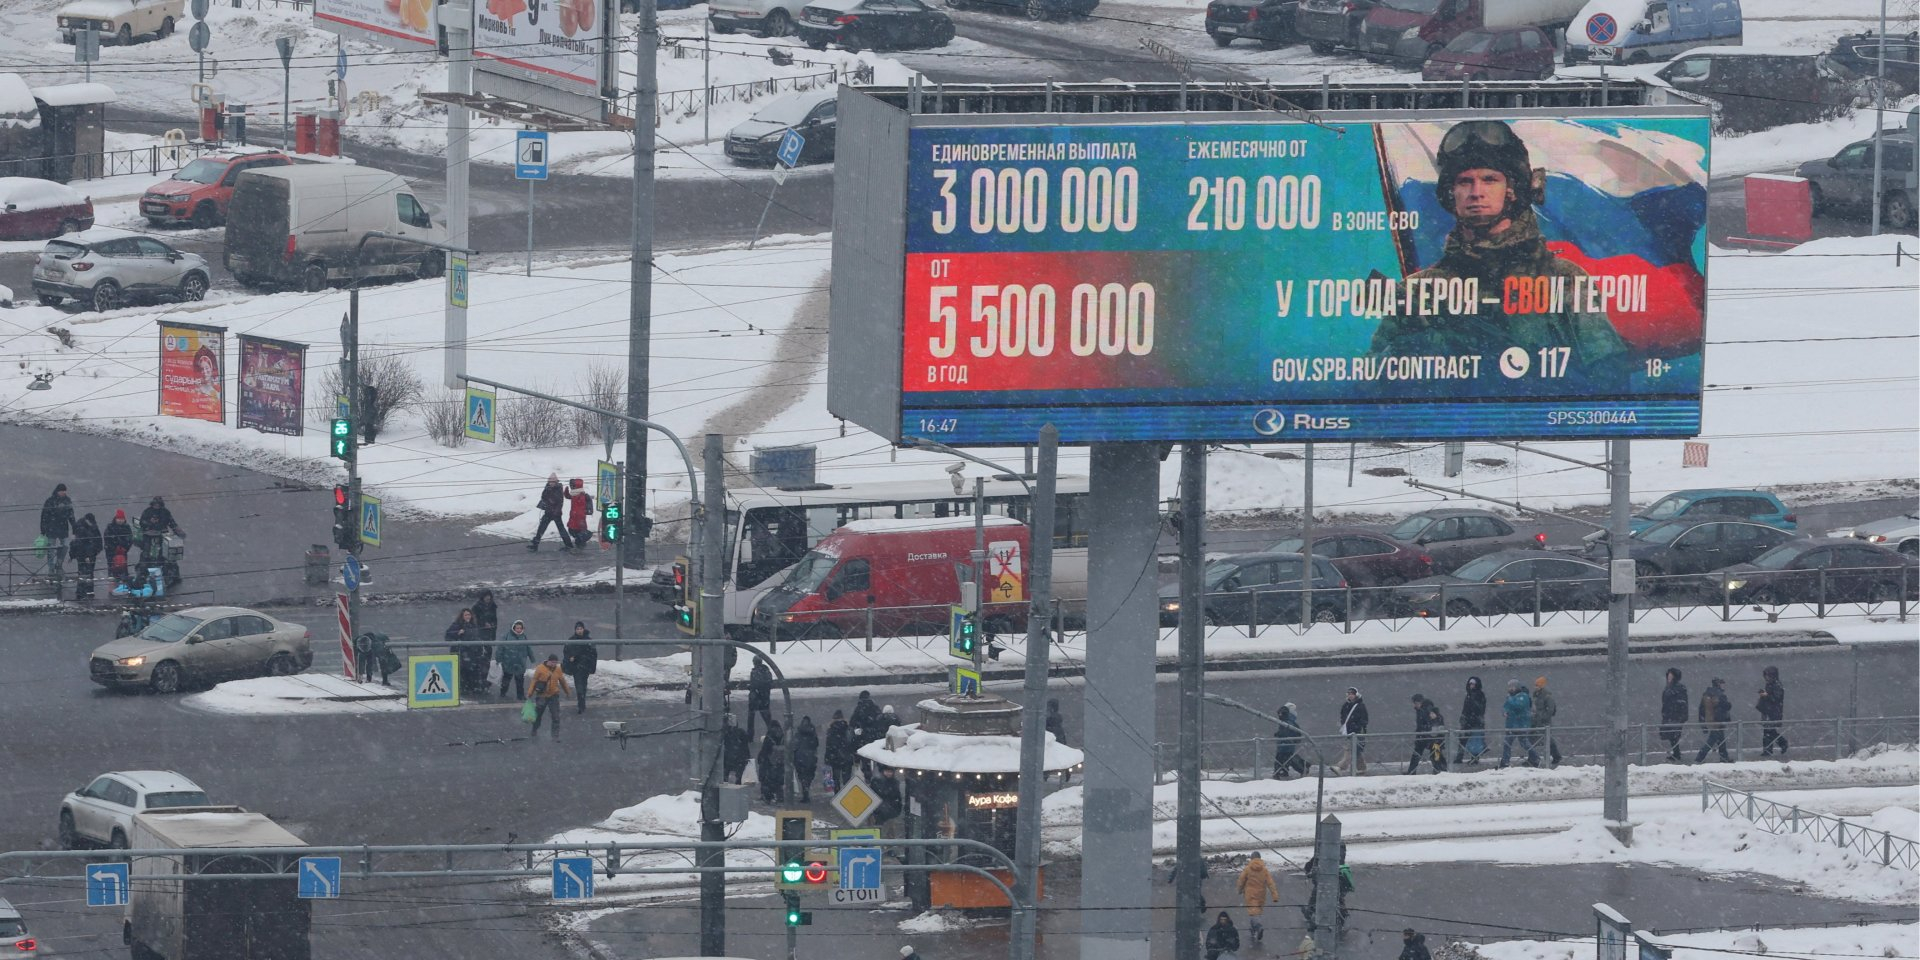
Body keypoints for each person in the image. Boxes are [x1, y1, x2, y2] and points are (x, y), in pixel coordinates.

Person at [1369, 119, 1632, 383]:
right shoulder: (1418, 292)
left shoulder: (1564, 280)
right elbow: (1373, 381)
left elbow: (1610, 381)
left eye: (1489, 180)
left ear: (1512, 191)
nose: (1476, 192)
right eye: (1464, 181)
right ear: (1451, 193)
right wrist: (1426, 346)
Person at [1236, 852, 1279, 943]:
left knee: (1253, 913)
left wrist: (1239, 890)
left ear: (1251, 858)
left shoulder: (1248, 869)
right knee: (1257, 912)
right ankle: (1253, 929)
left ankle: (1258, 927)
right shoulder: (1264, 870)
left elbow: (1241, 880)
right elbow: (1271, 883)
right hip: (1261, 894)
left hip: (1250, 894)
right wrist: (1274, 895)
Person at [528, 653, 570, 741]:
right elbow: (534, 680)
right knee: (538, 715)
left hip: (553, 695)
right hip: (542, 695)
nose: (554, 664)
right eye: (552, 662)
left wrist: (567, 692)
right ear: (548, 661)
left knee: (556, 716)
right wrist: (530, 692)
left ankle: (555, 736)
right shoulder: (540, 668)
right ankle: (534, 729)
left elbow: (562, 681)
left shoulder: (558, 670)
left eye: (556, 662)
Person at [1499, 679, 1538, 768]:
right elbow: (1505, 706)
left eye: (1512, 687)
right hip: (1511, 725)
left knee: (1524, 743)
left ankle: (1535, 758)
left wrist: (1509, 699)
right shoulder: (1511, 697)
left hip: (1521, 724)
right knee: (1507, 743)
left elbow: (1518, 706)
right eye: (1509, 687)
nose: (1510, 689)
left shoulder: (1523, 696)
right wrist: (1504, 712)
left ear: (1517, 687)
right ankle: (1505, 762)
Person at [445, 608, 483, 695]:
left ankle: (472, 688)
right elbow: (448, 635)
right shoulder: (457, 625)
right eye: (466, 615)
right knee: (463, 671)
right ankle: (463, 689)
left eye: (469, 615)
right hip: (461, 652)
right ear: (462, 616)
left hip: (473, 652)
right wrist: (457, 633)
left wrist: (480, 649)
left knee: (472, 671)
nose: (467, 617)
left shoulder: (474, 625)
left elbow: (477, 638)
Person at [1407, 694, 1448, 774]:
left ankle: (1439, 770)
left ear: (1420, 702)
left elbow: (1433, 723)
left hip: (1432, 738)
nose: (1415, 705)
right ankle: (1412, 772)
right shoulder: (1420, 710)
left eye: (1416, 703)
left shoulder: (1428, 709)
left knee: (1435, 754)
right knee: (1419, 754)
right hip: (1424, 737)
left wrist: (1424, 729)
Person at [39, 483, 74, 575]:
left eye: (64, 491)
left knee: (65, 545)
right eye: (62, 491)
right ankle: (51, 567)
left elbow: (71, 515)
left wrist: (74, 526)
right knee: (51, 549)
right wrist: (43, 528)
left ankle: (59, 564)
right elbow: (44, 515)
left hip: (63, 528)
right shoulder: (50, 501)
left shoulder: (67, 501)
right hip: (52, 528)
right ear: (57, 491)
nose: (63, 492)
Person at [137, 495, 181, 568]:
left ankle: (161, 563)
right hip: (148, 534)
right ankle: (144, 566)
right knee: (146, 551)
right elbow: (142, 522)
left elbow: (172, 523)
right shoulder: (147, 511)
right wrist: (150, 523)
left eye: (158, 504)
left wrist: (178, 531)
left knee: (164, 551)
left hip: (162, 534)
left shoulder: (165, 512)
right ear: (153, 504)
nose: (157, 505)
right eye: (155, 504)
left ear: (161, 504)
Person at [1696, 677, 1733, 763]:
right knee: (1712, 740)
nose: (1724, 686)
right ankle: (1699, 758)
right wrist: (1729, 705)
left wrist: (1703, 724)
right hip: (1718, 721)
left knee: (1721, 739)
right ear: (1718, 684)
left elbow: (1701, 709)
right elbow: (1725, 707)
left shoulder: (1706, 694)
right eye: (1722, 684)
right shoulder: (1719, 694)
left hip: (1710, 720)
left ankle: (1724, 757)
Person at [562, 621, 597, 714]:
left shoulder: (589, 640)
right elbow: (566, 652)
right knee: (579, 686)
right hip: (576, 667)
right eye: (577, 629)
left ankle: (582, 703)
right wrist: (570, 658)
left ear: (583, 629)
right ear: (575, 630)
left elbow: (593, 654)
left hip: (585, 667)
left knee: (584, 685)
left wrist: (592, 667)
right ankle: (581, 705)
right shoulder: (571, 640)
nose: (579, 630)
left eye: (581, 628)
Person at [496, 620, 536, 700]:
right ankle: (503, 692)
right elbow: (500, 648)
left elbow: (528, 648)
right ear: (513, 628)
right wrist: (498, 659)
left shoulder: (524, 637)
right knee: (506, 679)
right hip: (508, 662)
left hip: (520, 663)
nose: (519, 630)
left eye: (520, 628)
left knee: (520, 681)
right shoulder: (507, 636)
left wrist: (532, 659)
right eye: (517, 628)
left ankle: (520, 695)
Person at [69, 512, 102, 599]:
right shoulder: (88, 528)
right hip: (85, 554)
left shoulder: (80, 526)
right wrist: (91, 553)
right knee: (88, 572)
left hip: (85, 554)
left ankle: (82, 591)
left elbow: (75, 542)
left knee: (83, 572)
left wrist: (72, 554)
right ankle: (87, 591)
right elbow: (94, 542)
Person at [1456, 675, 1487, 765]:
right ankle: (1459, 757)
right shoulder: (1469, 695)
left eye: (1473, 684)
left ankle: (1474, 758)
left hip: (1475, 721)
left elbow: (1480, 709)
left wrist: (1472, 715)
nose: (1471, 685)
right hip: (1468, 721)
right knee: (1463, 738)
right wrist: (1463, 717)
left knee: (1474, 739)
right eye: (1470, 684)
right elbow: (1465, 708)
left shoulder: (1479, 695)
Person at [850, 691, 883, 778]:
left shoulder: (859, 708)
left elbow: (852, 722)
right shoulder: (875, 707)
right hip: (874, 737)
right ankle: (879, 773)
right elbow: (880, 720)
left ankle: (867, 775)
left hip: (863, 737)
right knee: (877, 757)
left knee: (864, 758)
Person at [470, 589, 499, 690]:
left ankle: (485, 682)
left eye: (489, 596)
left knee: (487, 659)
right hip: (480, 635)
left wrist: (492, 629)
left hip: (488, 635)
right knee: (478, 658)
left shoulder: (493, 606)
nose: (488, 598)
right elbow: (474, 621)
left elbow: (495, 620)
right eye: (486, 596)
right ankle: (478, 682)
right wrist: (483, 624)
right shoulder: (476, 607)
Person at [528, 474, 565, 551]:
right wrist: (546, 490)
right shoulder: (547, 487)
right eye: (550, 482)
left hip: (556, 513)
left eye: (552, 482)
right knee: (541, 528)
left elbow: (560, 501)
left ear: (556, 482)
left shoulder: (559, 488)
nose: (551, 483)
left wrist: (556, 511)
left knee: (561, 530)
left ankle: (569, 545)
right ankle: (535, 544)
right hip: (548, 512)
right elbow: (543, 497)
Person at [1660, 668, 1690, 762]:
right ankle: (1676, 753)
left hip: (1675, 716)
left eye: (1670, 676)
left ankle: (1676, 754)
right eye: (1668, 676)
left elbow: (1682, 702)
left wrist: (1681, 715)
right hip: (1670, 715)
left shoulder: (1678, 688)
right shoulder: (1669, 687)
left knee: (1674, 735)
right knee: (1671, 736)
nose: (1669, 678)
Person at [1758, 666, 1788, 758]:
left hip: (1773, 711)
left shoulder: (1776, 685)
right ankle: (1776, 746)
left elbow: (1776, 699)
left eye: (1767, 675)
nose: (1766, 678)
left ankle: (1770, 749)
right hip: (1769, 711)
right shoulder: (1770, 684)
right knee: (1769, 730)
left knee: (1769, 730)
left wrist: (1766, 695)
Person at [1274, 702, 1309, 779]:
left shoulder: (1286, 719)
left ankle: (1280, 772)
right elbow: (1291, 729)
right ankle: (1282, 771)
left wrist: (1279, 734)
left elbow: (1286, 730)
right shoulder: (1289, 719)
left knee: (1285, 758)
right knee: (1287, 757)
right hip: (1287, 742)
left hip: (1286, 742)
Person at [756, 722, 788, 804]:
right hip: (780, 762)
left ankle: (768, 798)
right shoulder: (783, 736)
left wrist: (760, 758)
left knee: (767, 780)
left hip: (769, 762)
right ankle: (780, 797)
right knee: (778, 781)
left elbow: (764, 751)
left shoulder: (769, 737)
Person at [1532, 676, 1561, 768]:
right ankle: (1534, 758)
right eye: (1535, 685)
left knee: (1546, 739)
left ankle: (1555, 756)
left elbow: (1550, 710)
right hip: (1538, 721)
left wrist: (1543, 718)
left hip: (1544, 722)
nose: (1535, 687)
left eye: (1537, 685)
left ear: (1542, 685)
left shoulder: (1547, 696)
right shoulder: (1537, 695)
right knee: (1537, 739)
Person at [1337, 687, 1369, 773]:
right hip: (1348, 731)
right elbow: (1343, 716)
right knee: (1356, 751)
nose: (1350, 696)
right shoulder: (1346, 705)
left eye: (1352, 694)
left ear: (1356, 695)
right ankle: (1362, 768)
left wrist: (1357, 727)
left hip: (1358, 732)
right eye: (1349, 694)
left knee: (1351, 750)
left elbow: (1364, 719)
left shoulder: (1360, 706)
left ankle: (1340, 767)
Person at [824, 709, 856, 791]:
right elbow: (852, 743)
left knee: (836, 779)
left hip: (835, 758)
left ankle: (837, 797)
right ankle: (846, 795)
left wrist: (827, 759)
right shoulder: (848, 729)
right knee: (847, 779)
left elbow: (829, 746)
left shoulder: (831, 731)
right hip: (847, 757)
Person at [791, 716, 820, 802]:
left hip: (800, 757)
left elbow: (794, 746)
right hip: (811, 757)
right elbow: (816, 744)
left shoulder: (798, 733)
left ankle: (805, 790)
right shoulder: (812, 733)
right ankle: (807, 788)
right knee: (809, 775)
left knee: (802, 775)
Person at [871, 766, 904, 839]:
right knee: (878, 831)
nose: (889, 773)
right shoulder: (876, 781)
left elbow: (898, 798)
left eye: (890, 771)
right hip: (879, 812)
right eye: (887, 771)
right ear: (883, 771)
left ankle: (887, 847)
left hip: (889, 812)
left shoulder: (895, 783)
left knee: (889, 833)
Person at [103, 509, 134, 583]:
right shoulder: (110, 528)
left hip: (123, 552)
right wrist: (115, 548)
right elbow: (107, 540)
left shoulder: (127, 528)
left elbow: (130, 540)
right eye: (119, 519)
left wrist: (124, 548)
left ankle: (123, 582)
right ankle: (114, 583)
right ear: (116, 519)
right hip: (111, 553)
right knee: (113, 567)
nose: (120, 520)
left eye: (122, 519)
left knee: (123, 566)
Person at [747, 659, 774, 740]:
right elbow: (769, 684)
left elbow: (755, 685)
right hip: (764, 697)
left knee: (751, 718)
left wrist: (751, 688)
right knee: (767, 718)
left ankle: (750, 736)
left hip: (755, 697)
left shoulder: (754, 672)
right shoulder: (767, 671)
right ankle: (772, 733)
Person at [564, 478, 594, 551]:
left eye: (573, 486)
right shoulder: (574, 494)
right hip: (574, 517)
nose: (571, 487)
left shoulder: (583, 495)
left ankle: (580, 544)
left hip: (580, 518)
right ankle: (580, 543)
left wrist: (588, 510)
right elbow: (568, 496)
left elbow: (589, 503)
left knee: (579, 532)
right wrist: (566, 492)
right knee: (572, 530)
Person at [722, 714, 751, 783]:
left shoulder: (725, 733)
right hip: (738, 759)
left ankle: (727, 784)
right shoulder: (740, 732)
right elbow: (745, 745)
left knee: (725, 776)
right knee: (738, 778)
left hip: (730, 759)